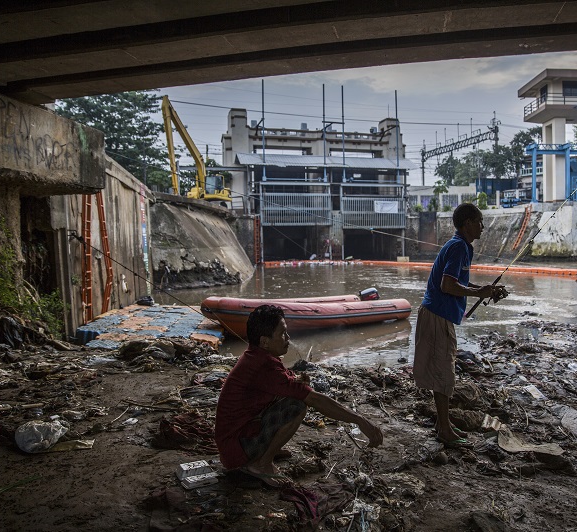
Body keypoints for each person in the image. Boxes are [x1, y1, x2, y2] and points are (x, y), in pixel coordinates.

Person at [214, 304, 383, 487]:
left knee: (292, 396)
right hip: (235, 449)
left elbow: (276, 383)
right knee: (296, 405)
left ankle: (267, 450)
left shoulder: (257, 356)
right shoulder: (264, 366)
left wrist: (295, 381)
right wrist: (359, 420)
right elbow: (315, 399)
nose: (288, 338)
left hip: (234, 439)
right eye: (282, 334)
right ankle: (261, 464)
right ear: (265, 342)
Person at [413, 202, 508, 448]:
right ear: (467, 224)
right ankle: (443, 428)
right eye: (479, 222)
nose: (483, 227)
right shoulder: (458, 248)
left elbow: (457, 283)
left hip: (440, 315)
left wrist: (483, 290)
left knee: (442, 371)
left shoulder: (461, 247)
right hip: (437, 315)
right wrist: (478, 294)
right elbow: (447, 286)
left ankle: (442, 423)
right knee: (444, 373)